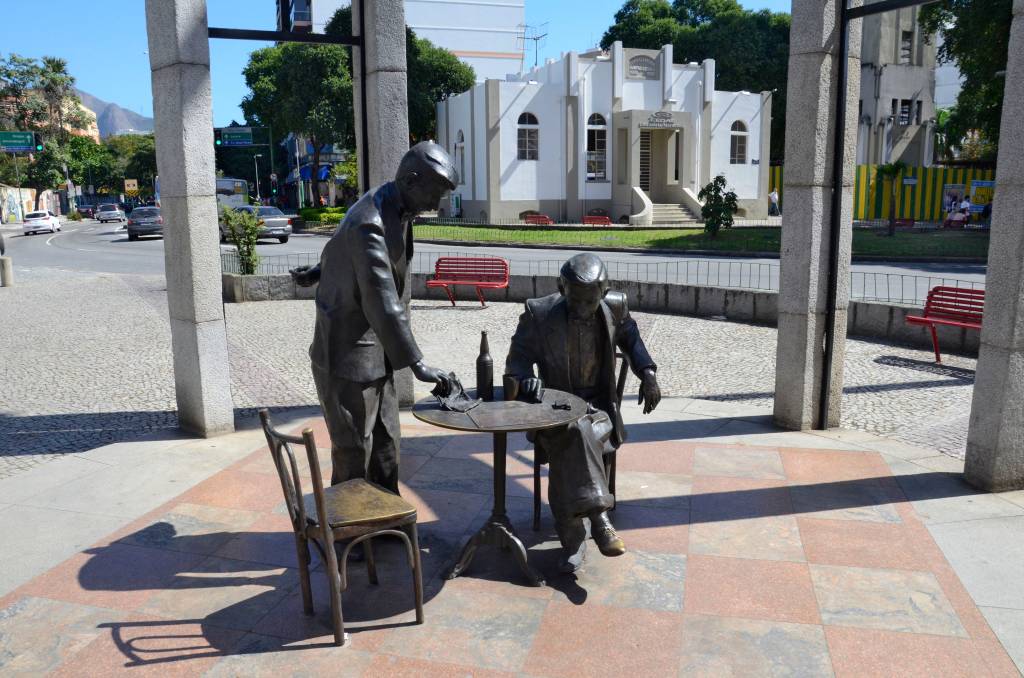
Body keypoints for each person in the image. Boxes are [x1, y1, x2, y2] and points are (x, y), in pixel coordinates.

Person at [290, 142, 457, 493]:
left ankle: (385, 517)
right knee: (354, 453)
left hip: (377, 354)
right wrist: (418, 364)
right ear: (411, 180)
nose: (435, 205)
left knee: (386, 448)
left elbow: (343, 249)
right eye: (434, 193)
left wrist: (320, 271)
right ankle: (348, 522)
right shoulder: (370, 220)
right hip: (347, 358)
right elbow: (381, 299)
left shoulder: (395, 207)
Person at [506, 253, 662, 572]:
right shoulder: (539, 313)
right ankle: (599, 518)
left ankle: (574, 537)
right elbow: (516, 363)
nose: (581, 308)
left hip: (599, 411)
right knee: (574, 431)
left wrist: (648, 374)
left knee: (578, 433)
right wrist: (526, 380)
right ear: (561, 288)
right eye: (575, 300)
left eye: (590, 302)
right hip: (553, 412)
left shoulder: (616, 308)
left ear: (604, 293)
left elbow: (633, 343)